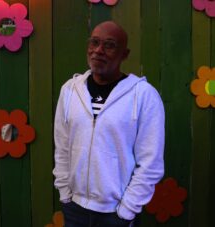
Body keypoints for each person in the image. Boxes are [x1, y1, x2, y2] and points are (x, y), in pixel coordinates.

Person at [53, 21, 165, 227]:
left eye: (109, 45)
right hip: (75, 209)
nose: (98, 50)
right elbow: (62, 146)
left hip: (115, 213)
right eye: (94, 42)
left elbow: (151, 163)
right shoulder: (70, 90)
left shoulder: (143, 95)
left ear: (125, 54)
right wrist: (65, 194)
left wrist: (126, 210)